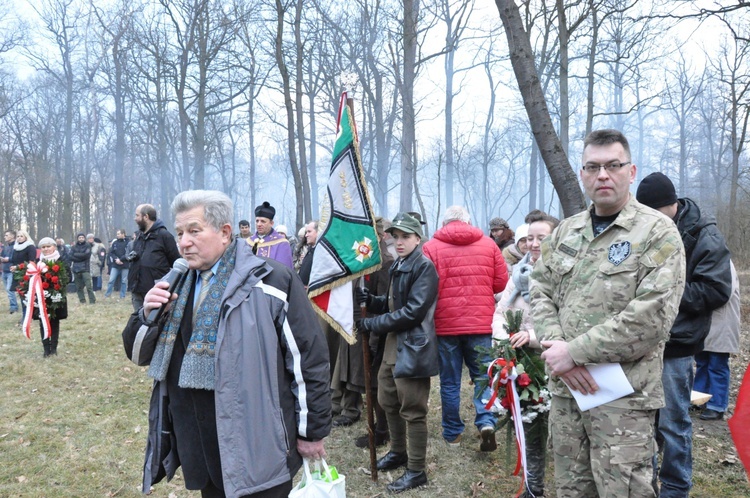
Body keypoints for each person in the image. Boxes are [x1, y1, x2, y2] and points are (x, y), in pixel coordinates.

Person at [122, 190, 331, 497]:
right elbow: (138, 354)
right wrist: (146, 315)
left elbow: (308, 360)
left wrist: (311, 431)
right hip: (199, 444)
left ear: (225, 232)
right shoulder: (175, 282)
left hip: (258, 446)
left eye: (194, 231)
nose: (183, 242)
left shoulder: (272, 282)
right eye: (179, 233)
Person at [530, 129, 686, 497]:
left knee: (624, 490)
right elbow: (540, 290)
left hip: (623, 401)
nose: (603, 175)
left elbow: (650, 318)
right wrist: (558, 348)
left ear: (630, 172)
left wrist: (574, 352)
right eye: (593, 167)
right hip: (569, 394)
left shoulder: (657, 232)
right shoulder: (566, 232)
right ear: (582, 174)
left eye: (613, 165)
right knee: (572, 488)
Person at [635, 171, 732, 497]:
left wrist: (665, 292)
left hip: (677, 345)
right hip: (639, 342)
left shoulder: (704, 234)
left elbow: (716, 289)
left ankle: (675, 489)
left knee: (672, 423)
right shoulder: (644, 228)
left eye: (654, 214)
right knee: (641, 422)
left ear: (671, 205)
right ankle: (643, 484)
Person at [355, 212, 439, 493]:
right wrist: (375, 302)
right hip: (394, 343)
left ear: (418, 238)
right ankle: (398, 452)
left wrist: (373, 322)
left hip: (413, 345)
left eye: (405, 237)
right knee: (387, 399)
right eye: (396, 236)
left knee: (413, 409)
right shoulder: (400, 264)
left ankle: (416, 470)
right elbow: (394, 303)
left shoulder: (424, 267)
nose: (399, 242)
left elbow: (413, 312)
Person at [422, 205, 509, 451]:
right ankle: (486, 422)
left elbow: (426, 286)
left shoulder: (430, 248)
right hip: (481, 323)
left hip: (445, 324)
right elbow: (501, 282)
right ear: (468, 221)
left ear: (445, 222)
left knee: (449, 381)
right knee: (483, 376)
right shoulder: (488, 244)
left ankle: (452, 434)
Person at [492, 211, 559, 497]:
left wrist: (531, 338)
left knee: (556, 432)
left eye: (540, 238)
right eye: (529, 238)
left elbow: (568, 323)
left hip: (552, 362)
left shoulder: (561, 274)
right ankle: (534, 489)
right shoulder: (518, 274)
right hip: (519, 363)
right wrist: (501, 341)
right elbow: (501, 312)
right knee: (530, 428)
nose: (533, 244)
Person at [694, 260, 741, 421]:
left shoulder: (724, 263)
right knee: (702, 363)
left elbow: (723, 294)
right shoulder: (706, 260)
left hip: (722, 323)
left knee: (717, 365)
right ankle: (699, 400)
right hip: (704, 323)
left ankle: (717, 405)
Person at [129, 204, 181, 311]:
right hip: (137, 288)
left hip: (155, 291)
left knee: (155, 323)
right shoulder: (139, 236)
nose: (135, 219)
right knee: (138, 322)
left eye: (137, 215)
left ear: (146, 217)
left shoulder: (165, 236)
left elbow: (176, 263)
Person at [24, 238, 69, 357]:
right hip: (41, 296)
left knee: (55, 322)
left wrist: (57, 284)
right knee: (42, 321)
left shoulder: (61, 260)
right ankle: (45, 349)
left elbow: (67, 276)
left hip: (56, 297)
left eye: (48, 246)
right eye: (43, 247)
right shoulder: (38, 261)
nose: (46, 249)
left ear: (54, 246)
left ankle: (53, 348)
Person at [247, 202, 293, 269]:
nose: (259, 224)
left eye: (263, 221)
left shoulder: (282, 243)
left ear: (271, 223)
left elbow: (284, 270)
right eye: (257, 221)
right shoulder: (248, 242)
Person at [10, 230, 39, 317]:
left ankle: (27, 316)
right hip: (17, 274)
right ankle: (25, 315)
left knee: (27, 296)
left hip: (27, 274)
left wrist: (18, 267)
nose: (19, 238)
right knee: (21, 296)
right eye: (18, 236)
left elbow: (31, 262)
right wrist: (13, 267)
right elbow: (14, 260)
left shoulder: (30, 247)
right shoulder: (15, 248)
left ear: (26, 237)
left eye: (21, 236)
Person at [70, 233, 96, 304]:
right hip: (76, 269)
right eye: (79, 237)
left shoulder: (88, 246)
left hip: (85, 269)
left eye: (82, 237)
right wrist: (80, 258)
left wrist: (76, 255)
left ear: (84, 238)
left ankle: (92, 300)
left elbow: (86, 255)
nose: (81, 239)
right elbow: (70, 256)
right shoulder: (74, 247)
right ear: (77, 238)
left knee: (89, 286)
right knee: (78, 287)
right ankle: (82, 300)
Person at [105, 229, 130, 299]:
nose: (117, 235)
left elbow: (128, 253)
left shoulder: (128, 243)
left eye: (119, 234)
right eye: (117, 234)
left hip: (125, 264)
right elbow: (111, 253)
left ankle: (122, 295)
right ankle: (107, 294)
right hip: (115, 265)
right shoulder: (115, 243)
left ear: (123, 234)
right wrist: (116, 259)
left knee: (124, 281)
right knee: (111, 280)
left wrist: (121, 259)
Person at [2, 230, 19, 314]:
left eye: (6, 235)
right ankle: (13, 305)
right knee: (7, 290)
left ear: (12, 236)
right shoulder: (5, 247)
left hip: (11, 271)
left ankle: (14, 307)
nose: (5, 237)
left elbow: (16, 258)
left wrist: (8, 259)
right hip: (4, 270)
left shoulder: (16, 247)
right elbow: (3, 256)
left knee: (10, 289)